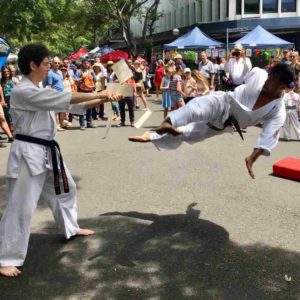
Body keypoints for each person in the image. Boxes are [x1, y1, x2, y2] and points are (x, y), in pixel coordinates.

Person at [0, 43, 121, 277]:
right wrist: (101, 93)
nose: (50, 67)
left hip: (47, 152)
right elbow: (66, 98)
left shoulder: (38, 88)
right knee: (21, 206)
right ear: (33, 64)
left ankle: (70, 227)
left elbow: (73, 106)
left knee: (66, 189)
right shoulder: (22, 90)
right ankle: (6, 257)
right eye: (46, 63)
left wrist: (104, 99)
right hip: (28, 154)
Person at [129, 64, 294, 179]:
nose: (267, 80)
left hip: (224, 125)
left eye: (273, 79)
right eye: (270, 75)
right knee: (198, 106)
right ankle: (169, 121)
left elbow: (267, 137)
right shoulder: (259, 74)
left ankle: (150, 136)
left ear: (283, 87)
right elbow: (245, 75)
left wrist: (251, 158)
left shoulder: (278, 112)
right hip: (224, 103)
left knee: (187, 135)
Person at [1, 66, 15, 136]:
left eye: (7, 71)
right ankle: (10, 131)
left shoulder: (11, 81)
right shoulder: (1, 82)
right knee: (6, 116)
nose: (6, 73)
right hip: (4, 99)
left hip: (11, 99)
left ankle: (12, 131)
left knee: (11, 115)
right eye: (4, 72)